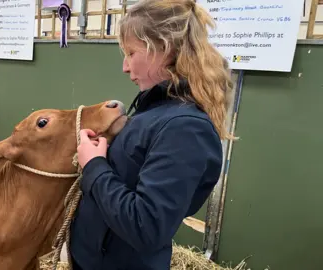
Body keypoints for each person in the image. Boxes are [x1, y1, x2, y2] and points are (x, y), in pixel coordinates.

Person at [69, 0, 234, 269]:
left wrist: (94, 165)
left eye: (131, 53)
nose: (125, 67)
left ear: (163, 49)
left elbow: (146, 226)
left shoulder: (186, 129)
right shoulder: (158, 111)